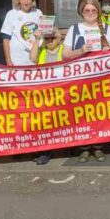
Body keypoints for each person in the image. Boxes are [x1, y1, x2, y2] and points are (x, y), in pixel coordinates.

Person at [63, 0, 110, 162]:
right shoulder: (75, 29)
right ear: (82, 12)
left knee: (99, 113)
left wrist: (108, 51)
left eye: (93, 10)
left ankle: (98, 147)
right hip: (81, 78)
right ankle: (84, 148)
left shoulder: (107, 28)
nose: (90, 13)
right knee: (82, 113)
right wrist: (80, 51)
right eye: (87, 10)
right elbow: (64, 55)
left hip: (101, 78)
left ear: (98, 12)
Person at [28, 27, 65, 166]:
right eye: (47, 38)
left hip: (62, 92)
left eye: (52, 38)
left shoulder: (64, 51)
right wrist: (37, 39)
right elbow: (32, 58)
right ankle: (45, 151)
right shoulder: (42, 50)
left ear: (59, 39)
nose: (49, 41)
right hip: (45, 93)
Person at [0, 0, 43, 66]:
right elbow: (6, 39)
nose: (26, 2)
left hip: (34, 57)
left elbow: (43, 33)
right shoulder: (11, 14)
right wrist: (8, 60)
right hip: (17, 58)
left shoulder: (38, 13)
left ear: (32, 0)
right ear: (19, 1)